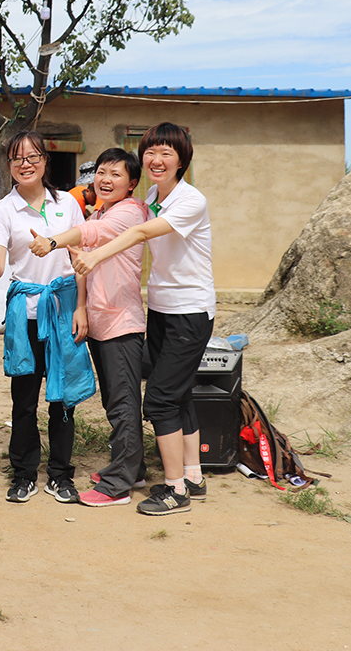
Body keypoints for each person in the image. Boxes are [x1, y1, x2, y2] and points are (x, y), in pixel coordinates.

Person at [69, 123, 215, 516]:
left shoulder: (189, 200)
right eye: (151, 151)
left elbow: (138, 233)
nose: (156, 159)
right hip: (162, 309)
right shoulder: (153, 195)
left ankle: (174, 490)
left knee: (160, 401)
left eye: (167, 153)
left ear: (182, 159)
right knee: (179, 395)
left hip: (190, 310)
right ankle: (193, 476)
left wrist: (95, 253)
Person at [0, 131, 91, 505]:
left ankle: (60, 475)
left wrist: (81, 307)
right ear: (9, 167)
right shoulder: (3, 209)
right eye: (17, 159)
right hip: (26, 313)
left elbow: (79, 258)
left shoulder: (67, 204)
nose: (25, 164)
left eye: (33, 157)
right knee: (24, 399)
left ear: (45, 161)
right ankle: (25, 473)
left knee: (63, 399)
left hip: (63, 312)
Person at [44, 148, 147, 507]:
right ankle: (134, 467)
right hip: (102, 322)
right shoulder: (104, 209)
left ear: (132, 183)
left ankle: (118, 485)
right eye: (102, 172)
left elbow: (91, 232)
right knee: (114, 401)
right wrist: (82, 308)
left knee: (123, 404)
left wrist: (53, 241)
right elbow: (83, 265)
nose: (105, 179)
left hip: (121, 321)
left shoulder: (130, 212)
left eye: (116, 174)